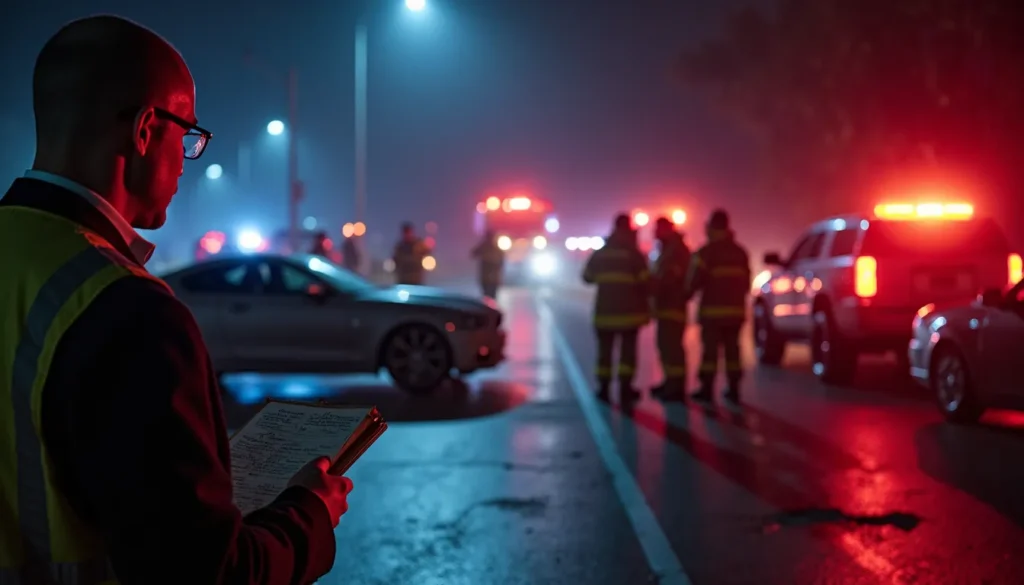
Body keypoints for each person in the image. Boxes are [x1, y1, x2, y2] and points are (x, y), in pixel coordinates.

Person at [0, 16, 352, 584]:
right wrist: (309, 513)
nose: (186, 161)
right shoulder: (130, 312)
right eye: (186, 136)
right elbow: (207, 573)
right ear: (145, 131)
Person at [685, 209, 752, 402]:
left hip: (712, 314)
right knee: (733, 352)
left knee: (710, 354)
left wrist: (683, 295)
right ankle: (734, 389)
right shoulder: (740, 252)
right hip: (735, 313)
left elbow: (693, 282)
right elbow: (746, 283)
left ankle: (707, 390)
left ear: (712, 227)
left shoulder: (706, 253)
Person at [582, 214, 650, 401]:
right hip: (629, 315)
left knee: (605, 354)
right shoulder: (635, 255)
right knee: (627, 355)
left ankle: (603, 390)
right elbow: (646, 284)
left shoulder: (601, 253)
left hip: (604, 314)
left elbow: (587, 277)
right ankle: (625, 390)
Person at [650, 216, 692, 400]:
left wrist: (653, 286)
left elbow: (671, 278)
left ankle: (676, 388)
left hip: (673, 307)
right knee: (665, 347)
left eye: (658, 229)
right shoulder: (667, 249)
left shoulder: (677, 251)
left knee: (672, 347)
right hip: (665, 307)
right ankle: (669, 382)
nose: (654, 233)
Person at [471, 229, 505, 298]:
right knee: (488, 296)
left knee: (490, 296)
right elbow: (474, 253)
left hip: (491, 278)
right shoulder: (485, 247)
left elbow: (501, 261)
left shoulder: (495, 248)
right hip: (488, 278)